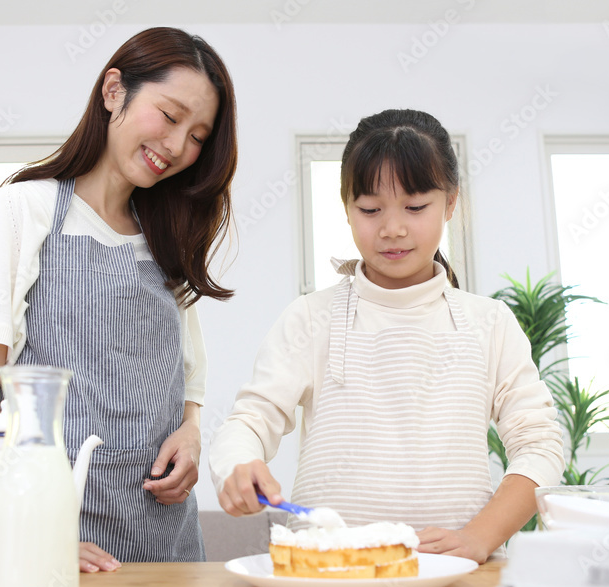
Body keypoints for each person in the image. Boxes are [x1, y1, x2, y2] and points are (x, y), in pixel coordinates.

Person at [0, 27, 237, 572]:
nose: (177, 148)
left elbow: (188, 380)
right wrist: (24, 527)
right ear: (113, 92)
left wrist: (191, 436)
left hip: (168, 545)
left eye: (198, 136)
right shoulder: (23, 211)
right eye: (170, 117)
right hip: (55, 535)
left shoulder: (168, 241)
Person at [209, 109, 563, 563]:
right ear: (346, 209)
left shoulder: (489, 323)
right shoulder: (310, 318)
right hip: (326, 574)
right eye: (370, 209)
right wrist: (238, 466)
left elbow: (539, 445)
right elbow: (252, 419)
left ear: (451, 203)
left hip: (453, 576)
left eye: (415, 207)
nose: (392, 229)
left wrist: (481, 536)